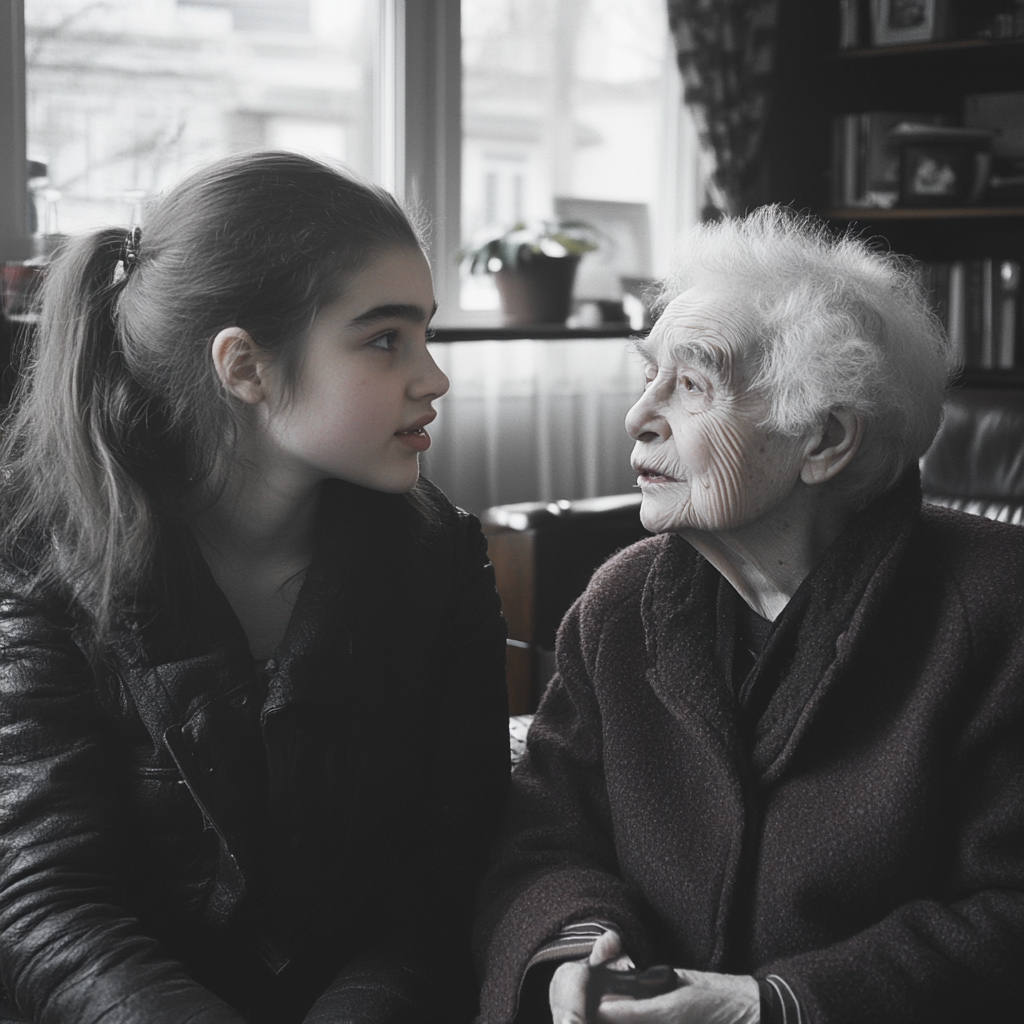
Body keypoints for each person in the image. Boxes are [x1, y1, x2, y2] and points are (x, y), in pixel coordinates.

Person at [473, 207, 1024, 1024]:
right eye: (649, 374)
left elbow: (1009, 908)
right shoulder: (618, 607)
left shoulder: (996, 607)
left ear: (824, 439)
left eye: (691, 384)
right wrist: (574, 951)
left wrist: (777, 1007)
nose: (639, 416)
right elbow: (544, 838)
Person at [0, 152, 510, 1024]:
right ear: (244, 367)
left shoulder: (441, 558)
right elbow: (49, 904)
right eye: (386, 339)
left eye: (425, 334)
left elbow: (447, 873)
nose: (434, 377)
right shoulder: (43, 567)